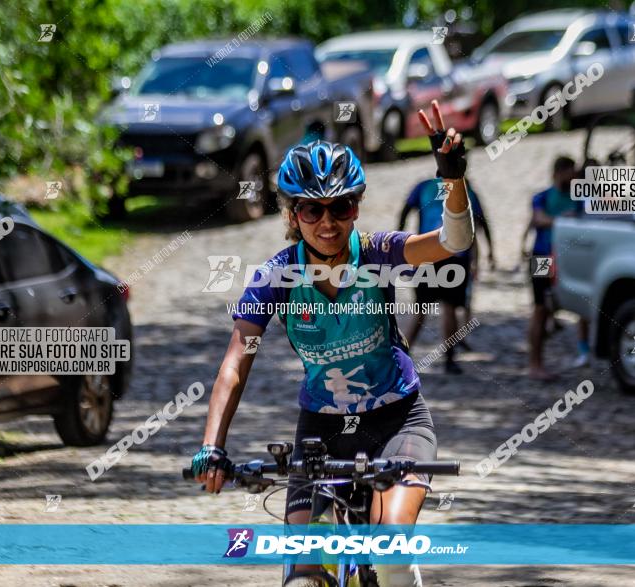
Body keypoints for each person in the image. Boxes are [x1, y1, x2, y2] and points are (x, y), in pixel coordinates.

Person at [190, 100, 474, 587]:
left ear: (356, 207)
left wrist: (451, 178)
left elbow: (454, 242)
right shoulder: (276, 276)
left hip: (397, 420)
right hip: (320, 432)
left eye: (340, 207)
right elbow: (235, 364)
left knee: (388, 554)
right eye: (311, 209)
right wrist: (212, 447)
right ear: (292, 213)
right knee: (302, 574)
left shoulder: (381, 253)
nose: (327, 222)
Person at [397, 177, 494, 373]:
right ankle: (449, 360)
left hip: (425, 251)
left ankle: (400, 358)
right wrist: (491, 250)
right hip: (455, 254)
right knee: (449, 308)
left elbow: (405, 210)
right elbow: (482, 223)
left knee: (420, 311)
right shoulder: (467, 190)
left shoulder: (423, 186)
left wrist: (399, 239)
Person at [527, 156, 590, 380]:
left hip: (568, 258)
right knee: (540, 309)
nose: (574, 176)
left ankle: (584, 349)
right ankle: (535, 364)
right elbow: (539, 219)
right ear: (559, 172)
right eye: (570, 172)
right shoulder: (542, 197)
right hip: (542, 256)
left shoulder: (580, 198)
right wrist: (565, 221)